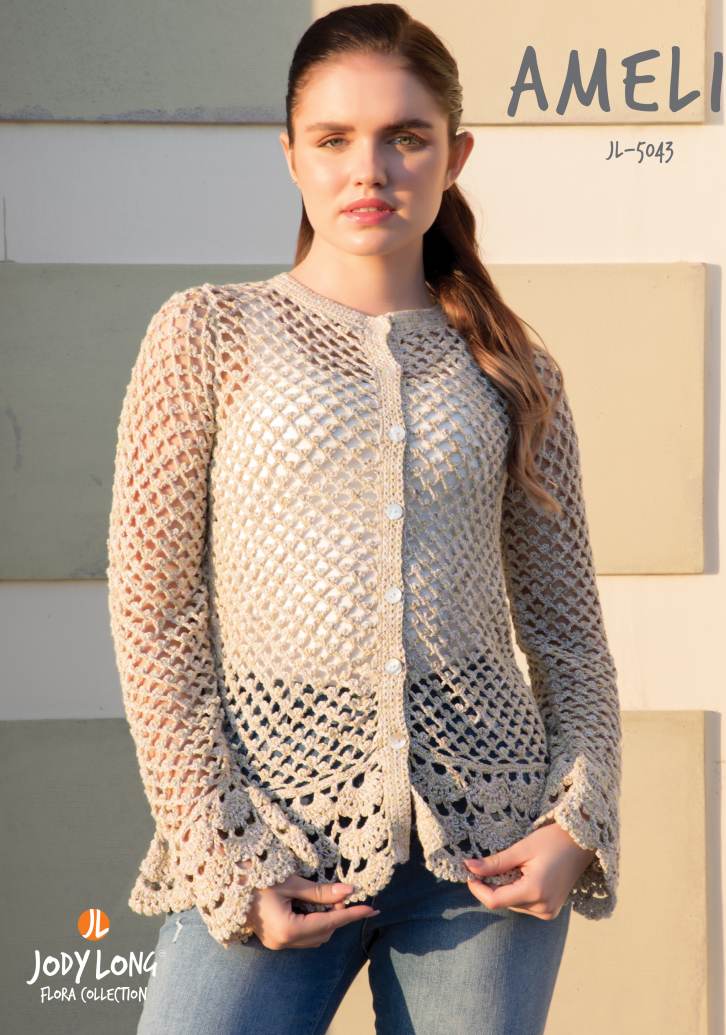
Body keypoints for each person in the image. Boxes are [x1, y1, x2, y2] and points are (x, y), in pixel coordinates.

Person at [106, 5, 622, 1033]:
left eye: (405, 137)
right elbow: (154, 615)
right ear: (290, 155)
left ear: (454, 156)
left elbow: (566, 629)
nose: (368, 169)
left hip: (488, 849)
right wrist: (221, 848)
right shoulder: (210, 332)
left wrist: (578, 817)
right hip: (269, 834)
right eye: (334, 138)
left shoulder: (513, 368)